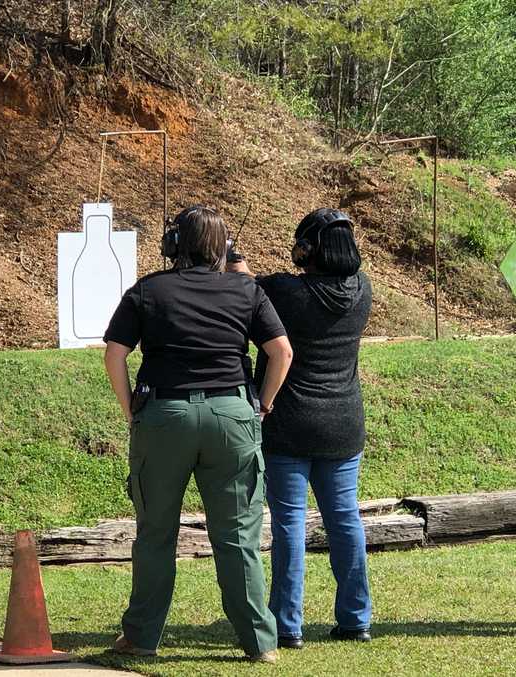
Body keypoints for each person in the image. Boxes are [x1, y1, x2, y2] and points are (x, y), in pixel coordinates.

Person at [102, 205, 294, 662]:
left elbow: (114, 354)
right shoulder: (246, 289)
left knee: (155, 534)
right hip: (232, 415)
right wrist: (261, 405)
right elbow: (281, 352)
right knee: (238, 536)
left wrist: (131, 407)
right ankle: (259, 642)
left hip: (163, 415)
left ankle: (142, 637)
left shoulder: (147, 289)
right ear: (223, 249)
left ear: (173, 246)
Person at [228, 207, 373, 649]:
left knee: (289, 524)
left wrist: (234, 258)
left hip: (288, 424)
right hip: (343, 424)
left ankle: (286, 625)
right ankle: (357, 617)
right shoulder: (362, 289)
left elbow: (247, 289)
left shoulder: (287, 292)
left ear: (308, 248)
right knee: (345, 519)